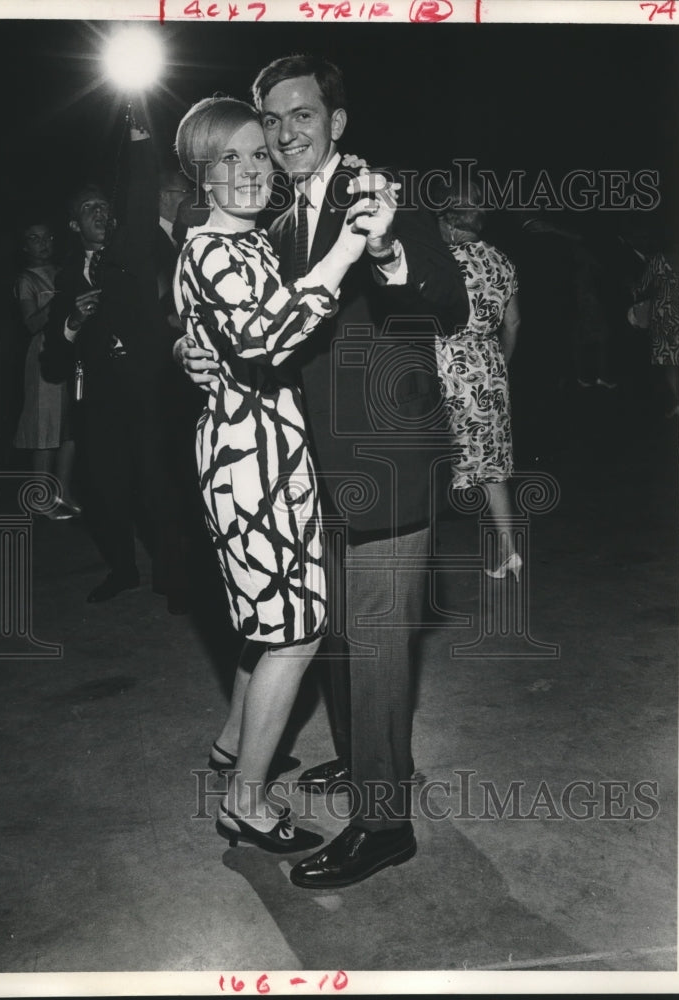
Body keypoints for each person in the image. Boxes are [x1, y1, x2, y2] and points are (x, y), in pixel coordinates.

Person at [178, 55, 469, 888]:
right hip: (302, 472)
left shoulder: (378, 195)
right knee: (334, 635)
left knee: (373, 644)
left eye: (303, 115)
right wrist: (190, 350)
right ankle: (363, 758)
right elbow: (241, 315)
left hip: (383, 464)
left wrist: (384, 254)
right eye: (271, 121)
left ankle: (384, 823)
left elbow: (446, 302)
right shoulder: (270, 219)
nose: (285, 133)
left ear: (337, 123)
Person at [174, 95, 395, 853]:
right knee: (296, 634)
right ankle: (245, 803)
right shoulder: (212, 246)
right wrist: (345, 251)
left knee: (270, 625)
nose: (247, 170)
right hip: (251, 458)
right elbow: (269, 339)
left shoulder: (246, 240)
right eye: (226, 158)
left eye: (257, 154)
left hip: (266, 449)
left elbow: (206, 325)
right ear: (199, 173)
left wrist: (189, 346)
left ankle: (237, 746)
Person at [41, 119, 175, 604]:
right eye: (87, 210)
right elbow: (51, 366)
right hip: (99, 404)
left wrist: (139, 133)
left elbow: (140, 194)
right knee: (107, 491)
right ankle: (122, 569)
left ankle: (172, 575)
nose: (99, 213)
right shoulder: (65, 287)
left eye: (103, 206)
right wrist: (71, 325)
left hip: (148, 391)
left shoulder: (132, 253)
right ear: (74, 225)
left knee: (158, 487)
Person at [433, 179, 522, 579]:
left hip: (448, 363)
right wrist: (499, 362)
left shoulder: (443, 261)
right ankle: (509, 553)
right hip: (489, 365)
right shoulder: (503, 261)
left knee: (434, 456)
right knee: (492, 466)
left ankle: (419, 560)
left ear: (450, 223)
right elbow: (515, 322)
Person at [12, 219, 79, 519]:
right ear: (25, 246)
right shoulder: (25, 279)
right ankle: (40, 496)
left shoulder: (64, 271)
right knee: (45, 428)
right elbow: (30, 324)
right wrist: (58, 305)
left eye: (47, 237)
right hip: (42, 355)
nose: (43, 244)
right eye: (35, 238)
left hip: (69, 351)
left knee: (69, 427)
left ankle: (62, 491)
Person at [632, 240, 679, 418]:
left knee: (670, 363)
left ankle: (678, 402)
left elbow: (641, 287)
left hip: (664, 314)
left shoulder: (658, 260)